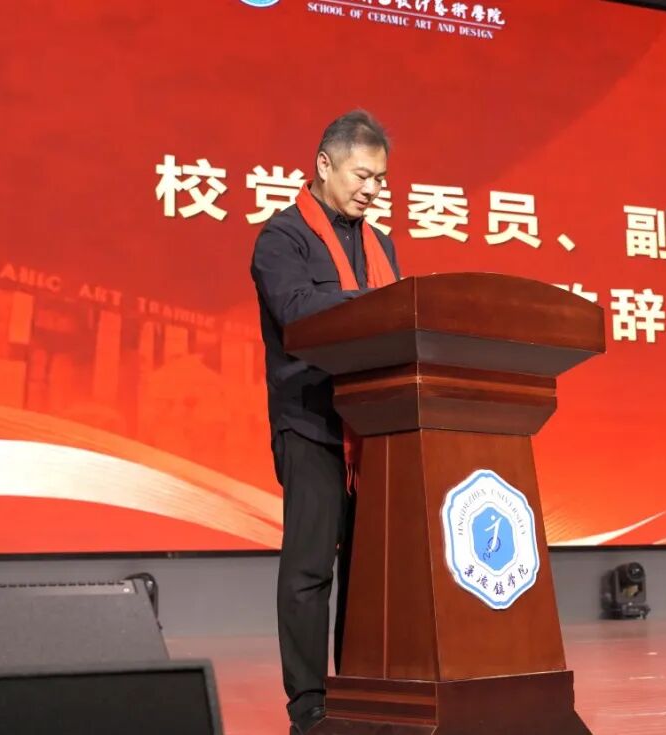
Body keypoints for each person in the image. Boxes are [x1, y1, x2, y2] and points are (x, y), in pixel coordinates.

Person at [250, 109, 399, 735]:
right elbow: (299, 310)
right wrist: (380, 306)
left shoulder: (380, 244)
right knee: (310, 571)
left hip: (372, 426)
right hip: (310, 423)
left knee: (368, 573)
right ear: (324, 165)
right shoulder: (281, 238)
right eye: (362, 175)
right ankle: (308, 705)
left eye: (380, 179)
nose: (372, 189)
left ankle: (360, 688)